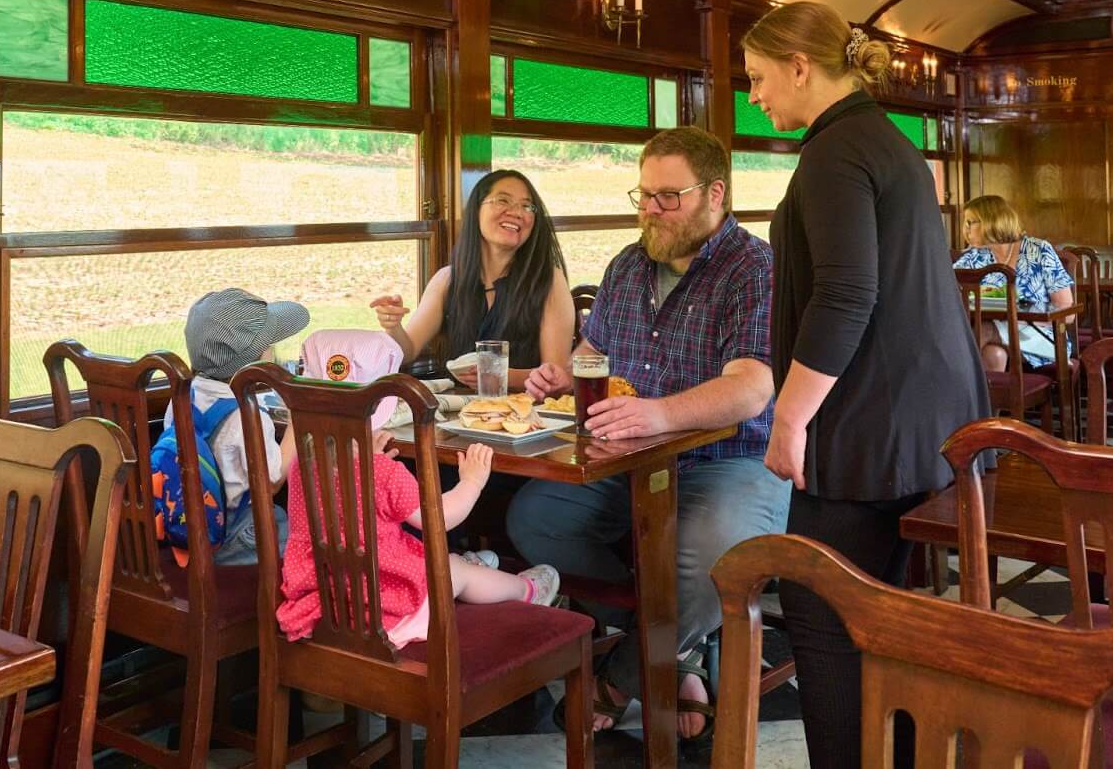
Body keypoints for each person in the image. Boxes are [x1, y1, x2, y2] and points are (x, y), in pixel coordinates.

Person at [743, 1, 989, 769]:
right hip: (927, 410)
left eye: (757, 79)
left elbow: (847, 294)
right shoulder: (887, 141)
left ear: (799, 66)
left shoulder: (833, 153)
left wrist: (788, 420)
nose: (756, 97)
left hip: (870, 422)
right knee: (883, 615)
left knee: (822, 612)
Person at [507, 126, 790, 738]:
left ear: (715, 192)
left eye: (669, 197)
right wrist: (562, 374)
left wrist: (659, 414)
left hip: (729, 458)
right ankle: (675, 648)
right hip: (626, 456)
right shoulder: (628, 264)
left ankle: (625, 668)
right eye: (644, 195)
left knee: (716, 556)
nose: (651, 210)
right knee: (534, 519)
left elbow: (751, 388)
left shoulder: (755, 268)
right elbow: (593, 353)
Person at [275, 410, 560, 647]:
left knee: (444, 563)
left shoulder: (301, 464)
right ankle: (527, 589)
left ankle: (471, 566)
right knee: (451, 570)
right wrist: (472, 481)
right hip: (382, 612)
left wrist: (368, 461)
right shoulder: (381, 472)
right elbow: (441, 518)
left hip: (325, 605)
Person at [370, 169, 575, 390]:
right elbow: (407, 351)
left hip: (527, 412)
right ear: (476, 210)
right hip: (459, 410)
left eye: (526, 206)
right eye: (503, 200)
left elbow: (555, 374)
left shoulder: (549, 280)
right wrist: (393, 326)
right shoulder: (447, 279)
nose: (516, 212)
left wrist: (499, 376)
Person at [155, 287, 308, 566]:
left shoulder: (181, 398)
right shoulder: (247, 416)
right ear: (259, 357)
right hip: (239, 536)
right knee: (309, 540)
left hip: (192, 530)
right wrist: (298, 416)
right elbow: (272, 482)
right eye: (270, 345)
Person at [954, 194, 1075, 371]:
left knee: (985, 329)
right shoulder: (973, 257)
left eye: (970, 222)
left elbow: (1068, 313)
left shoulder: (1038, 250)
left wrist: (1016, 322)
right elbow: (946, 290)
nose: (965, 229)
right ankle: (993, 399)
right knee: (993, 354)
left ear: (993, 221)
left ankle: (947, 378)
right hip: (992, 333)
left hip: (1040, 335)